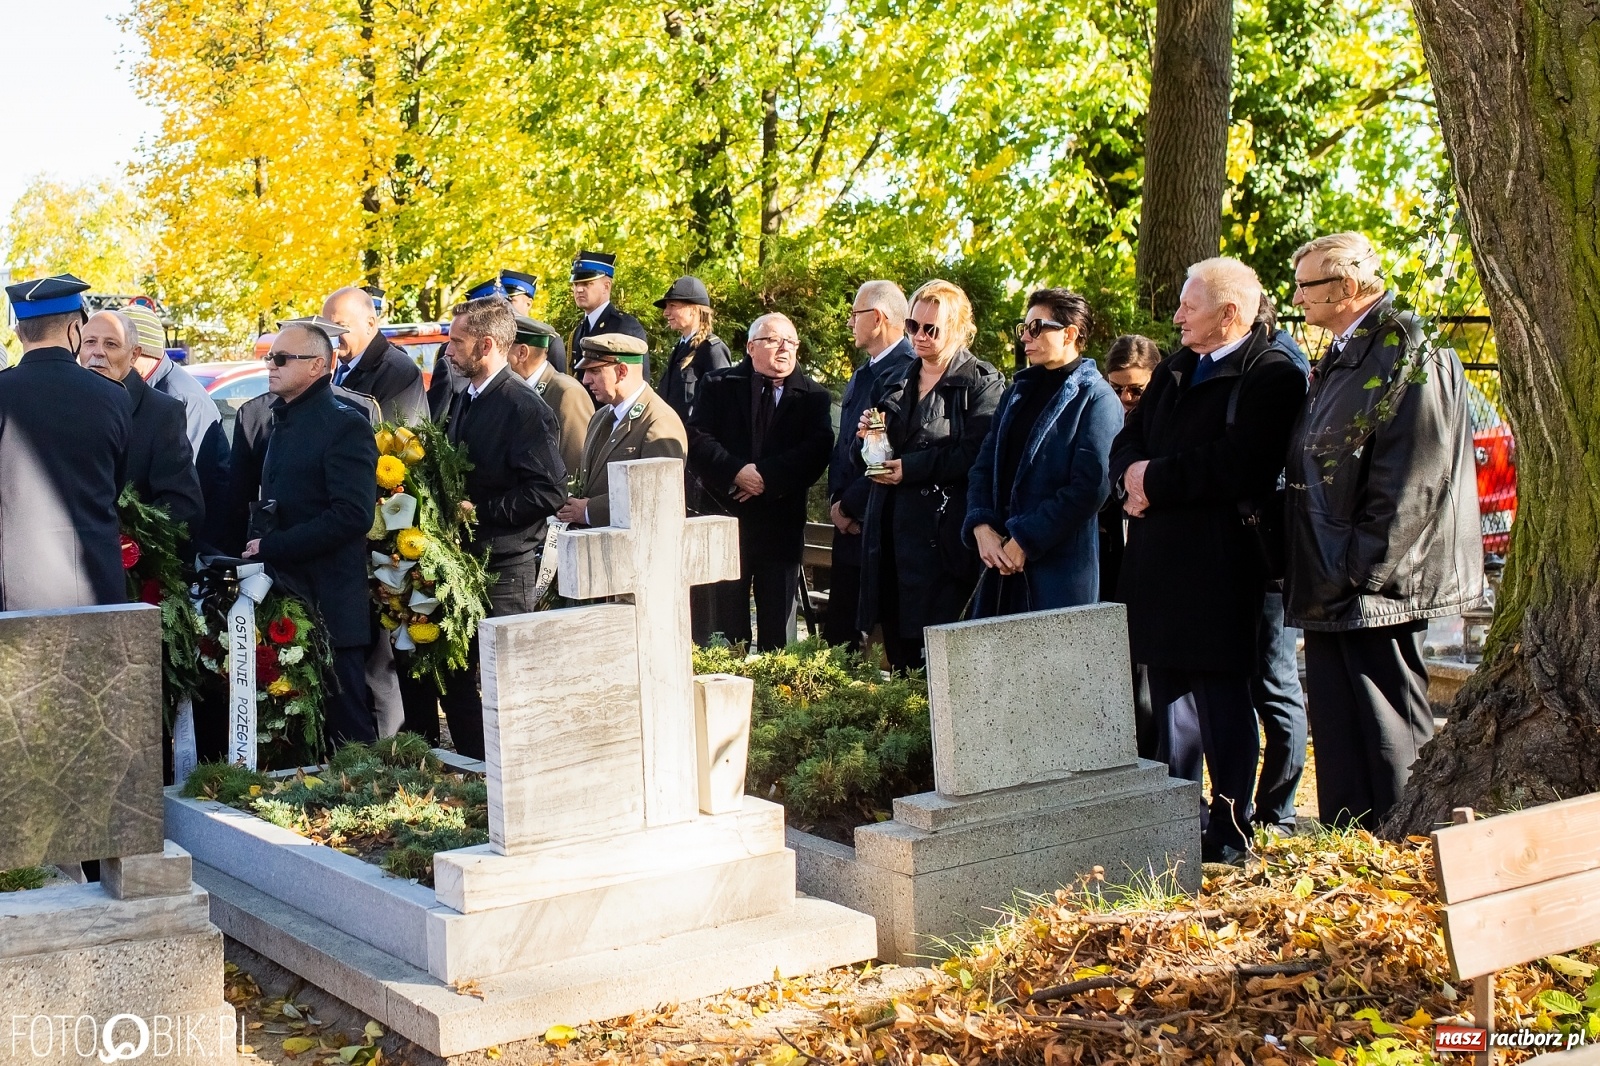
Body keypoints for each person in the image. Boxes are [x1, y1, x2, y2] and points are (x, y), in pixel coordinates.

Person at [1109, 257, 1307, 863]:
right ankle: (1176, 818)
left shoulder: (1271, 374)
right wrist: (1129, 479)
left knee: (1222, 702)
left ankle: (1232, 824)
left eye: (1188, 307)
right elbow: (1129, 438)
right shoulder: (1175, 368)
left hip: (1221, 567)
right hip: (1159, 564)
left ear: (1229, 313)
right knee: (1168, 701)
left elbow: (1238, 463)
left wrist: (1153, 482)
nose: (1176, 317)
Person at [1284, 231, 1484, 829]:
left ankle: (1403, 852)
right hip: (1335, 574)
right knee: (1343, 729)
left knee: (1388, 729)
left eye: (1306, 286)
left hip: (1378, 583)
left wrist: (1361, 566)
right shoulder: (1354, 348)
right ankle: (1352, 852)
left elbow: (1414, 475)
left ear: (1347, 286)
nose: (1296, 300)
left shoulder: (1404, 346)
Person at [421, 295, 566, 758]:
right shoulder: (466, 396)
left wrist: (478, 512)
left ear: (486, 344)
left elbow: (548, 491)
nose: (448, 351)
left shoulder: (523, 406)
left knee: (504, 685)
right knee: (458, 683)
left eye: (456, 342)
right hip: (463, 564)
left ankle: (510, 776)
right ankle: (474, 771)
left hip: (505, 568)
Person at [241, 323, 381, 747]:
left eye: (283, 358)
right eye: (270, 356)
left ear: (318, 365)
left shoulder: (343, 423)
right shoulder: (281, 419)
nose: (271, 365)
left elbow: (352, 515)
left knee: (348, 731)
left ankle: (372, 806)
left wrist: (274, 544)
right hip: (287, 594)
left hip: (330, 602)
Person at [855, 280, 1003, 671]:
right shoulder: (895, 377)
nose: (918, 336)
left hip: (943, 539)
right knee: (899, 657)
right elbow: (870, 449)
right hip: (888, 535)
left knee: (941, 661)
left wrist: (910, 469)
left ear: (958, 329)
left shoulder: (981, 382)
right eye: (912, 327)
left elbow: (977, 453)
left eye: (930, 329)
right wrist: (869, 444)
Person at [964, 288, 1121, 616]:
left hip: (1059, 572)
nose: (1025, 337)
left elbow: (1091, 487)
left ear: (1070, 334)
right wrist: (981, 526)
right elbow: (983, 465)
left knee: (1051, 667)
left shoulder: (1097, 398)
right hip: (999, 566)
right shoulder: (1017, 392)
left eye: (1036, 327)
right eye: (1024, 328)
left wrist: (1026, 538)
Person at [688, 312, 832, 650]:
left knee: (778, 636)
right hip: (726, 520)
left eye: (791, 342)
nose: (784, 348)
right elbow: (697, 438)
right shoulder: (718, 385)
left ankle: (777, 698)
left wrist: (765, 478)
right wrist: (736, 472)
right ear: (751, 347)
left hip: (779, 528)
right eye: (774, 340)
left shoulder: (814, 397)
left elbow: (816, 450)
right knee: (725, 630)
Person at [0, 274, 130, 610]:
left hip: (14, 585)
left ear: (18, 332)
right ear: (75, 330)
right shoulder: (112, 396)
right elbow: (115, 485)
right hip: (95, 581)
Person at [825, 281, 914, 649]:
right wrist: (836, 501)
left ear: (877, 318)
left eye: (855, 314)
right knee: (839, 641)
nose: (849, 323)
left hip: (877, 528)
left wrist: (848, 506)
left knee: (895, 646)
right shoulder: (864, 373)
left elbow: (885, 455)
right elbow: (846, 448)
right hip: (848, 529)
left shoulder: (907, 373)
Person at [79, 310, 204, 534]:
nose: (97, 352)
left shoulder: (162, 412)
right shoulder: (69, 403)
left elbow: (183, 506)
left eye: (111, 344)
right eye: (89, 342)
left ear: (134, 354)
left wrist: (124, 536)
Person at [120, 304, 231, 548]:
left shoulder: (182, 397)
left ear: (141, 353)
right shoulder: (142, 387)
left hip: (190, 538)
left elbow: (188, 481)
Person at [556, 334, 687, 527]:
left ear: (622, 371)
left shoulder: (659, 422)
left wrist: (589, 511)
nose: (585, 380)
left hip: (634, 548)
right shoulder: (601, 417)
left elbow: (657, 496)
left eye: (595, 371)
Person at [321, 286, 428, 424]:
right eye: (327, 327)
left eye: (340, 326)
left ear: (370, 324)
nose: (331, 334)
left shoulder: (399, 372)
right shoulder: (324, 364)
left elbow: (390, 438)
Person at [508, 315, 592, 479]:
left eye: (502, 349)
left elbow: (574, 466)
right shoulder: (512, 389)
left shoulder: (566, 393)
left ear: (522, 353)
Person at [653, 276, 731, 421]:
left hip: (694, 439)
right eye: (666, 307)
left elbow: (721, 405)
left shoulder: (712, 350)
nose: (665, 312)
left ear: (693, 309)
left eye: (673, 306)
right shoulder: (680, 347)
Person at [568, 251, 649, 382]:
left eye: (587, 284)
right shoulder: (579, 331)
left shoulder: (625, 327)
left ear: (606, 287)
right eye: (576, 284)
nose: (579, 289)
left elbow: (636, 382)